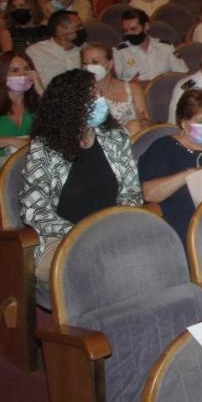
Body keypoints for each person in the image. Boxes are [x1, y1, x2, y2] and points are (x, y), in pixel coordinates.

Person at [20, 69, 143, 283]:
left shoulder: (116, 137)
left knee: (151, 254)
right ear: (71, 103)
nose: (101, 100)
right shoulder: (45, 147)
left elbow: (131, 192)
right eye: (93, 95)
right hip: (62, 238)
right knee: (103, 268)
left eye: (99, 93)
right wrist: (81, 232)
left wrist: (118, 224)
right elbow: (34, 210)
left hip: (110, 231)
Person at [139, 89, 202, 241]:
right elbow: (150, 193)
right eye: (200, 121)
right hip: (186, 225)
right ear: (183, 123)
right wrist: (190, 174)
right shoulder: (164, 148)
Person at [81, 43, 151, 134]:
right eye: (85, 63)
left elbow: (145, 120)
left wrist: (143, 121)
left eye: (95, 62)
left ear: (110, 64)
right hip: (101, 141)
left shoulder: (132, 88)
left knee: (135, 125)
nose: (89, 67)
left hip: (134, 139)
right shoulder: (81, 93)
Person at [113, 8, 187, 82]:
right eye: (126, 31)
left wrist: (181, 92)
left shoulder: (166, 47)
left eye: (133, 29)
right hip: (135, 91)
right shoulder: (119, 52)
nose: (129, 33)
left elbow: (184, 76)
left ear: (146, 26)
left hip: (165, 91)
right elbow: (115, 83)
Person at [25, 9, 85, 86]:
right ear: (60, 29)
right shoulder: (36, 51)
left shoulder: (86, 49)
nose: (82, 30)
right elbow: (38, 84)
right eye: (78, 27)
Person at [0, 51, 42, 158]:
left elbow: (62, 124)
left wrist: (41, 91)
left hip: (31, 166)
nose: (22, 74)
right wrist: (13, 141)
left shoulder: (38, 103)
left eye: (27, 69)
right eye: (14, 70)